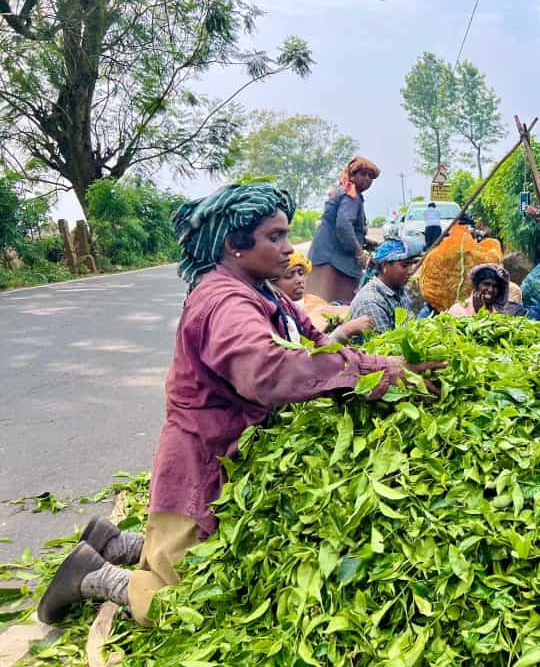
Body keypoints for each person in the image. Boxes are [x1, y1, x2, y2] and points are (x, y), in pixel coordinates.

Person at [37, 183, 444, 627]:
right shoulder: (224, 303)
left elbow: (311, 336)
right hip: (203, 458)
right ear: (235, 245)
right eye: (275, 237)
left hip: (233, 451)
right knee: (188, 606)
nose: (289, 249)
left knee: (202, 553)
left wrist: (363, 359)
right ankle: (91, 575)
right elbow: (268, 371)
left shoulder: (262, 290)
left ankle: (113, 541)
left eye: (286, 235)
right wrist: (370, 371)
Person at [308, 156, 381, 304]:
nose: (367, 179)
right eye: (363, 174)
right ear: (352, 175)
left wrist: (366, 242)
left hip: (324, 254)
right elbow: (343, 226)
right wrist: (359, 253)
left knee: (318, 304)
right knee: (335, 308)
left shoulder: (344, 191)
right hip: (334, 261)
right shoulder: (351, 195)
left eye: (370, 177)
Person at [271, 250, 374, 342]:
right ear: (271, 283)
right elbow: (306, 353)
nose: (299, 280)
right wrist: (346, 330)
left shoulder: (296, 307)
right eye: (289, 275)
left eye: (301, 273)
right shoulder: (275, 316)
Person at [348, 238, 422, 336]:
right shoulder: (371, 302)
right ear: (384, 265)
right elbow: (383, 347)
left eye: (412, 265)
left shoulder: (398, 289)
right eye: (405, 266)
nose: (411, 271)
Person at [447, 263, 529, 318]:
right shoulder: (458, 310)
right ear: (476, 286)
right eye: (486, 284)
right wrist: (480, 314)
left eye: (495, 286)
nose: (490, 290)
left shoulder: (502, 312)